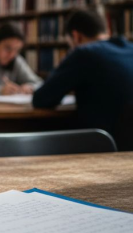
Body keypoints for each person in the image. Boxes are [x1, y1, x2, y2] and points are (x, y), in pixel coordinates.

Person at [33, 9, 133, 146]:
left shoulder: (83, 53)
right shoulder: (129, 48)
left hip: (103, 146)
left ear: (76, 37)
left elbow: (41, 99)